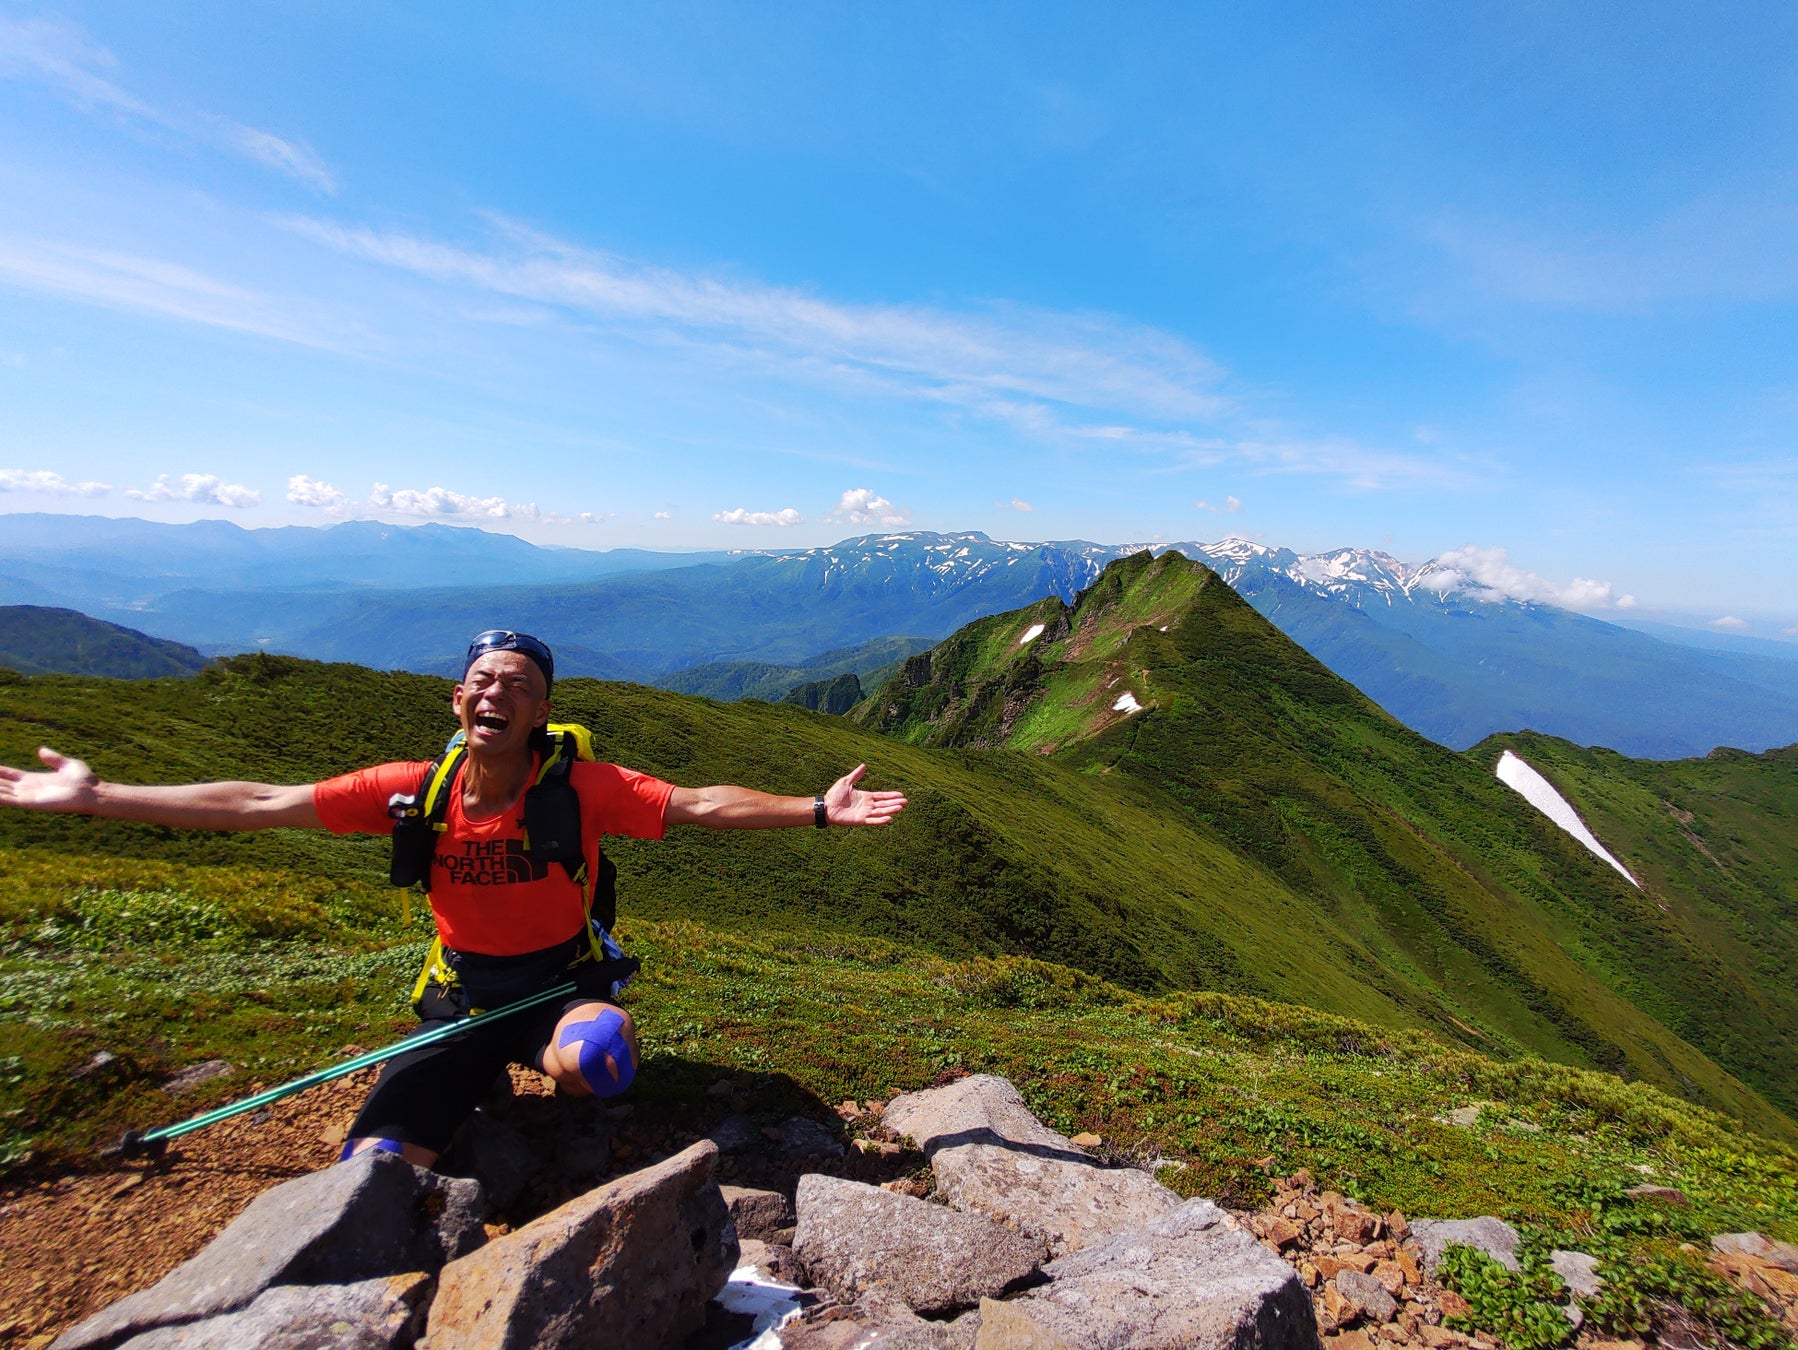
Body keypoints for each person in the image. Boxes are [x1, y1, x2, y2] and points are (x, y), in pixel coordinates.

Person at [0, 629, 907, 1167]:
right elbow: (258, 802)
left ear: (542, 712)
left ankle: (532, 1086)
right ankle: (461, 1099)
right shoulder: (411, 793)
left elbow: (700, 803)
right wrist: (97, 796)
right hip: (461, 998)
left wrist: (815, 813)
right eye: (484, 681)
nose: (498, 692)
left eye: (519, 685)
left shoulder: (580, 788)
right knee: (379, 1168)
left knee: (598, 1061)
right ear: (458, 701)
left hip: (559, 986)